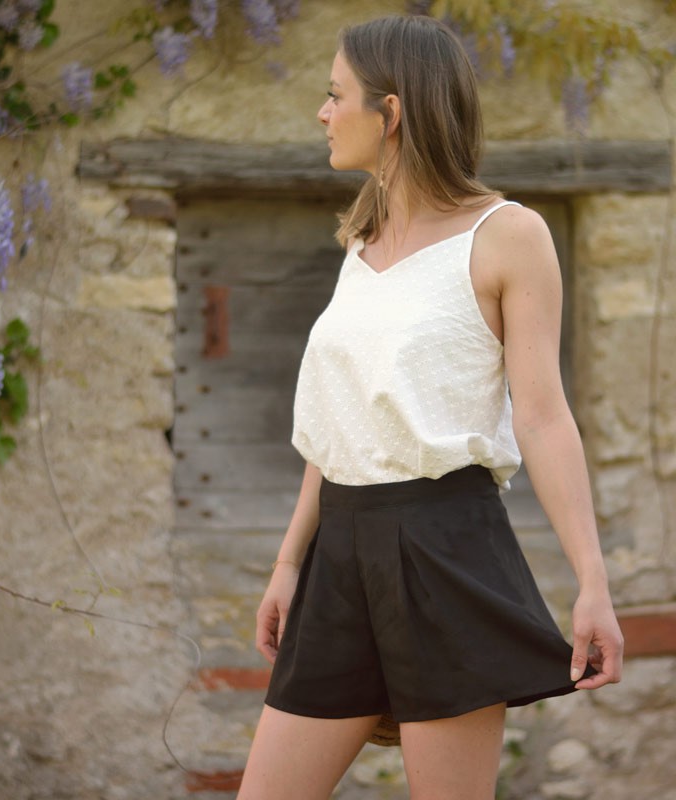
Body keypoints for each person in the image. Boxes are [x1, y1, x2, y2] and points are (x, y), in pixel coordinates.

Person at [237, 14, 623, 800]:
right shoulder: (362, 243)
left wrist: (593, 580)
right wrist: (288, 563)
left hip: (445, 546)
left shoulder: (509, 235)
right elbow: (339, 424)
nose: (322, 112)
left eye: (335, 94)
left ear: (391, 111)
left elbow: (543, 416)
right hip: (340, 548)